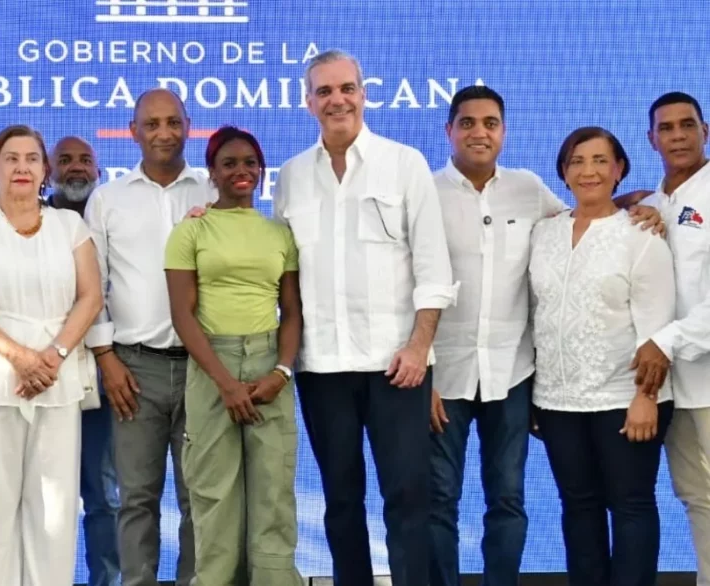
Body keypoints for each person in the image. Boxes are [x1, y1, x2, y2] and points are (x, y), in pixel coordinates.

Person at [428, 86, 664, 586]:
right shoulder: (425, 194)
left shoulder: (529, 189)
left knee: (513, 500)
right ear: (448, 130)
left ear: (503, 131)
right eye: (467, 123)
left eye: (490, 122)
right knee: (441, 500)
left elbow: (590, 214)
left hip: (527, 378)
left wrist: (634, 205)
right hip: (459, 376)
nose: (479, 132)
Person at [274, 49, 457, 586]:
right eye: (325, 91)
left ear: (363, 93)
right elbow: (283, 274)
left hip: (395, 365)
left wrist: (420, 347)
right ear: (308, 102)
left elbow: (433, 267)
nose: (337, 100)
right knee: (340, 500)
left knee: (408, 498)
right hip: (321, 366)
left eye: (346, 88)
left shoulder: (404, 164)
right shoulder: (290, 177)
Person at [0, 124, 103, 586]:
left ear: (45, 171)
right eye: (10, 158)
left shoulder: (70, 227)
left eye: (31, 158)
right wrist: (20, 358)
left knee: (54, 517)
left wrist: (50, 357)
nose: (21, 167)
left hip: (58, 379)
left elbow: (90, 297)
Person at [529, 126, 676, 586]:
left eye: (599, 160)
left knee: (631, 505)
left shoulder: (641, 233)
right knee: (578, 508)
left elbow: (657, 325)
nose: (587, 170)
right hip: (557, 402)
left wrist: (646, 397)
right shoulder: (543, 232)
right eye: (576, 160)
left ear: (619, 170)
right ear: (563, 171)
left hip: (625, 398)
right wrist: (536, 394)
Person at [165, 126, 303, 586]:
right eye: (229, 163)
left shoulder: (279, 233)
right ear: (213, 173)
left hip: (269, 368)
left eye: (250, 163)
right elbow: (183, 316)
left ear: (262, 172)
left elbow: (292, 311)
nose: (241, 171)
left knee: (274, 500)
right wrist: (225, 383)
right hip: (211, 368)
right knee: (214, 499)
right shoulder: (191, 231)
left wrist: (281, 372)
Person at [84, 88, 210, 586]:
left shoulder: (210, 192)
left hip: (204, 366)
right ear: (133, 130)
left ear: (188, 126)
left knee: (199, 495)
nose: (163, 133)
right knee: (136, 497)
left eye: (173, 122)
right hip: (133, 368)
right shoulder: (107, 199)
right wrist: (105, 357)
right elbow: (92, 283)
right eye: (151, 123)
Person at [639, 91, 710, 584]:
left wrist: (667, 341)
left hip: (699, 370)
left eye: (688, 125)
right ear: (651, 139)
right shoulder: (650, 204)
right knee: (698, 498)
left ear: (706, 130)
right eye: (667, 128)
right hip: (671, 387)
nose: (678, 135)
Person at [49, 135, 121, 586]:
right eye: (65, 160)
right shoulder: (26, 219)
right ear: (48, 172)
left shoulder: (115, 216)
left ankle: (107, 580)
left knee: (104, 494)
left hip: (105, 376)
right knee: (44, 495)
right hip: (41, 376)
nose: (76, 168)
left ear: (98, 170)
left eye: (85, 160)